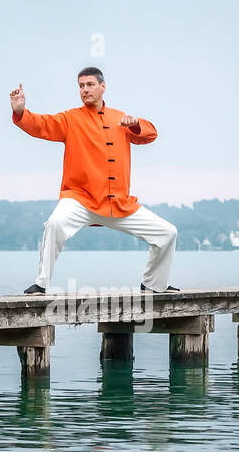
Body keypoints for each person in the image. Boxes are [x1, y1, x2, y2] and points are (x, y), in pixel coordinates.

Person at [11, 67, 179, 294]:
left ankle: (153, 283)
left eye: (89, 85)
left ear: (103, 87)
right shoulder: (71, 119)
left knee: (167, 233)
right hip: (81, 199)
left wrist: (136, 124)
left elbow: (151, 134)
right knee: (55, 224)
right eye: (81, 86)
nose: (85, 90)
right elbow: (42, 125)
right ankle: (41, 283)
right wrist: (21, 112)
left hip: (119, 203)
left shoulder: (121, 118)